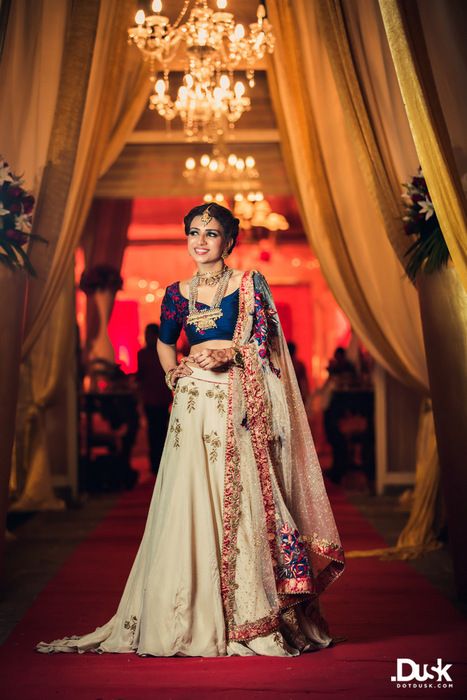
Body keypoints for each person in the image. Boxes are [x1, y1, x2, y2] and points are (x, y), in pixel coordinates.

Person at [36, 203, 345, 658]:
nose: (201, 241)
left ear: (229, 241)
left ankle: (244, 617)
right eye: (194, 232)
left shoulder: (247, 285)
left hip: (236, 405)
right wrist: (172, 375)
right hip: (191, 408)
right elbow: (165, 343)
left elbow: (267, 346)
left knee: (236, 501)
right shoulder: (176, 294)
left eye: (212, 233)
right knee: (187, 499)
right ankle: (182, 614)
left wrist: (230, 356)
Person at [137, 323, 172, 476]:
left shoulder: (159, 352)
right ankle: (155, 463)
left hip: (160, 397)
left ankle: (161, 463)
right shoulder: (143, 354)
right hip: (152, 397)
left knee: (161, 431)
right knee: (154, 431)